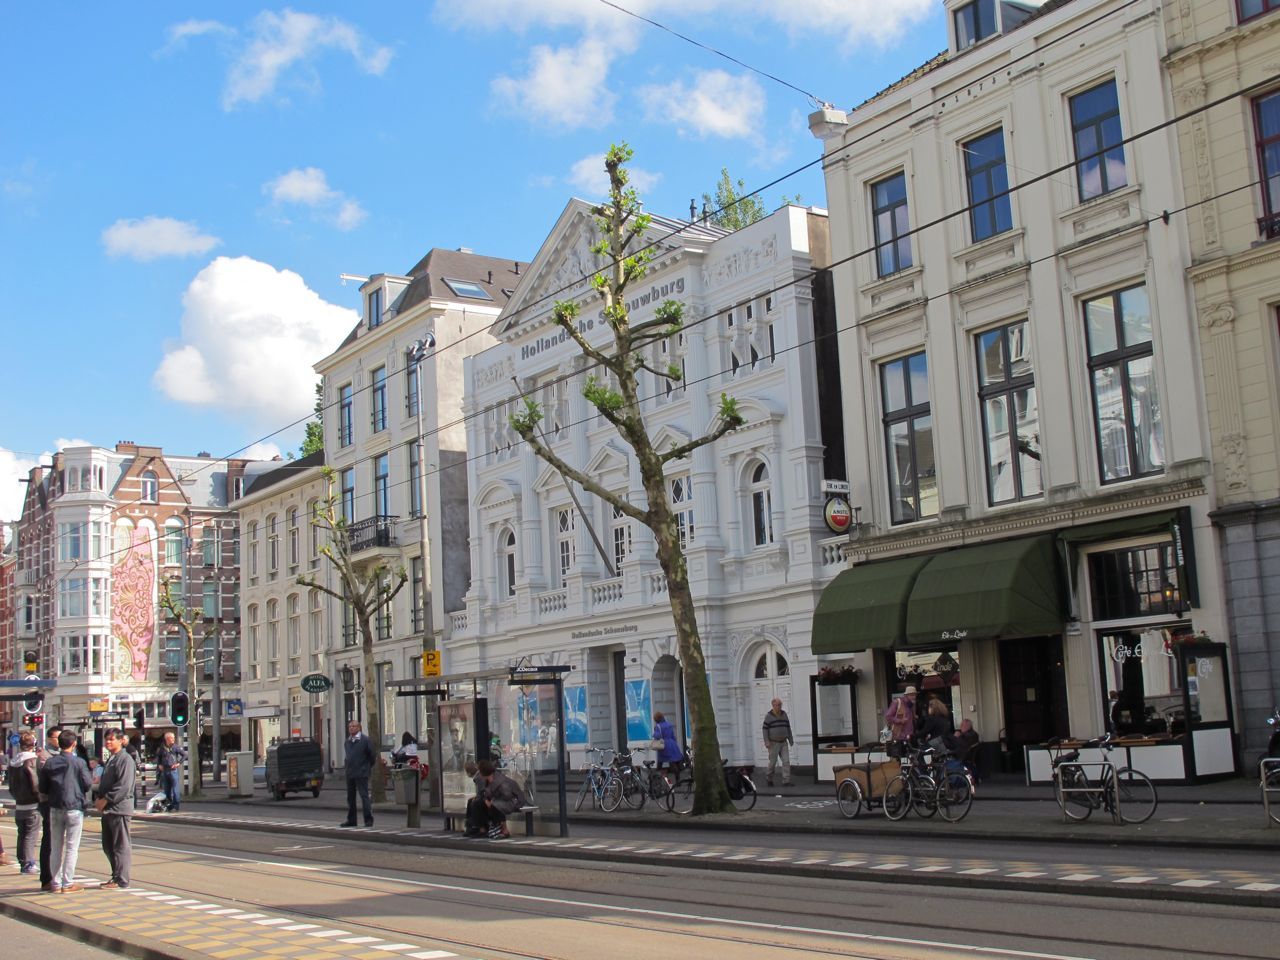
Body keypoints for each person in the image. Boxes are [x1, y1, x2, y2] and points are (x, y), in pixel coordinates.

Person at [38, 729, 92, 894]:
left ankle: (55, 883)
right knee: (71, 847)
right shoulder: (79, 762)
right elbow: (87, 784)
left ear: (59, 744)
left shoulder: (50, 763)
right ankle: (67, 883)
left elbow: (43, 788)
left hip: (55, 807)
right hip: (74, 807)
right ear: (74, 744)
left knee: (56, 847)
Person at [94, 728, 136, 889]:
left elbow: (123, 786)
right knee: (108, 845)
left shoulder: (125, 759)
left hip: (119, 808)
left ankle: (121, 879)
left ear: (120, 740)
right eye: (107, 739)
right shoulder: (112, 759)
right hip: (109, 809)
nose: (108, 742)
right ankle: (115, 875)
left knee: (120, 845)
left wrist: (106, 799)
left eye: (112, 739)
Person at [8, 732, 41, 875]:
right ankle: (29, 864)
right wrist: (41, 797)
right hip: (32, 805)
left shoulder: (13, 762)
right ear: (33, 745)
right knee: (30, 835)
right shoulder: (32, 761)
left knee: (22, 834)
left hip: (19, 804)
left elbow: (11, 786)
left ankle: (22, 862)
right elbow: (35, 784)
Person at [475, 758, 526, 839]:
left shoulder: (500, 781)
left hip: (513, 800)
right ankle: (483, 828)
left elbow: (507, 795)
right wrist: (486, 800)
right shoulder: (486, 780)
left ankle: (504, 830)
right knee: (478, 803)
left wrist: (492, 801)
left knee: (496, 805)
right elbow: (484, 793)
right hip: (500, 800)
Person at [37, 726, 61, 891]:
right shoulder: (44, 757)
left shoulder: (62, 755)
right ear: (49, 739)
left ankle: (55, 877)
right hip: (48, 803)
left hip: (59, 802)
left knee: (57, 841)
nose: (59, 741)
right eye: (56, 738)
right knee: (49, 841)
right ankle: (48, 877)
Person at [341, 720, 375, 828]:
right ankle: (351, 820)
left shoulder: (365, 740)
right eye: (350, 726)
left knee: (364, 796)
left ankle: (368, 820)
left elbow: (372, 756)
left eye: (354, 726)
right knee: (350, 798)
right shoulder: (347, 741)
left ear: (359, 728)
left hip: (361, 772)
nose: (351, 728)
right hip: (350, 772)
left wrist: (366, 767)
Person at [762, 698, 795, 787]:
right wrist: (766, 741)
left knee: (786, 761)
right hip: (773, 743)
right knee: (772, 762)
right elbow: (765, 730)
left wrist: (790, 739)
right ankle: (769, 778)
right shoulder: (768, 716)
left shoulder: (784, 714)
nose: (779, 707)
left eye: (780, 705)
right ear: (773, 705)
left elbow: (788, 727)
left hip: (783, 742)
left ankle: (786, 781)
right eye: (777, 705)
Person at [155, 732, 185, 813]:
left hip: (173, 770)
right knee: (167, 790)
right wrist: (159, 765)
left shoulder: (175, 747)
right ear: (167, 739)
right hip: (165, 770)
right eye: (172, 738)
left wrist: (178, 763)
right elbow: (159, 756)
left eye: (174, 737)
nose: (173, 739)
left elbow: (184, 755)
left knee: (175, 789)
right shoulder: (162, 747)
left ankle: (176, 806)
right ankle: (169, 806)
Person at [652, 712, 683, 777]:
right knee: (672, 761)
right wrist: (674, 743)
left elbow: (657, 736)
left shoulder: (658, 726)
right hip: (672, 743)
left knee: (660, 762)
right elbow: (672, 735)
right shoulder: (669, 724)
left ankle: (655, 778)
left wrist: (654, 733)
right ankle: (678, 779)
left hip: (664, 745)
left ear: (656, 719)